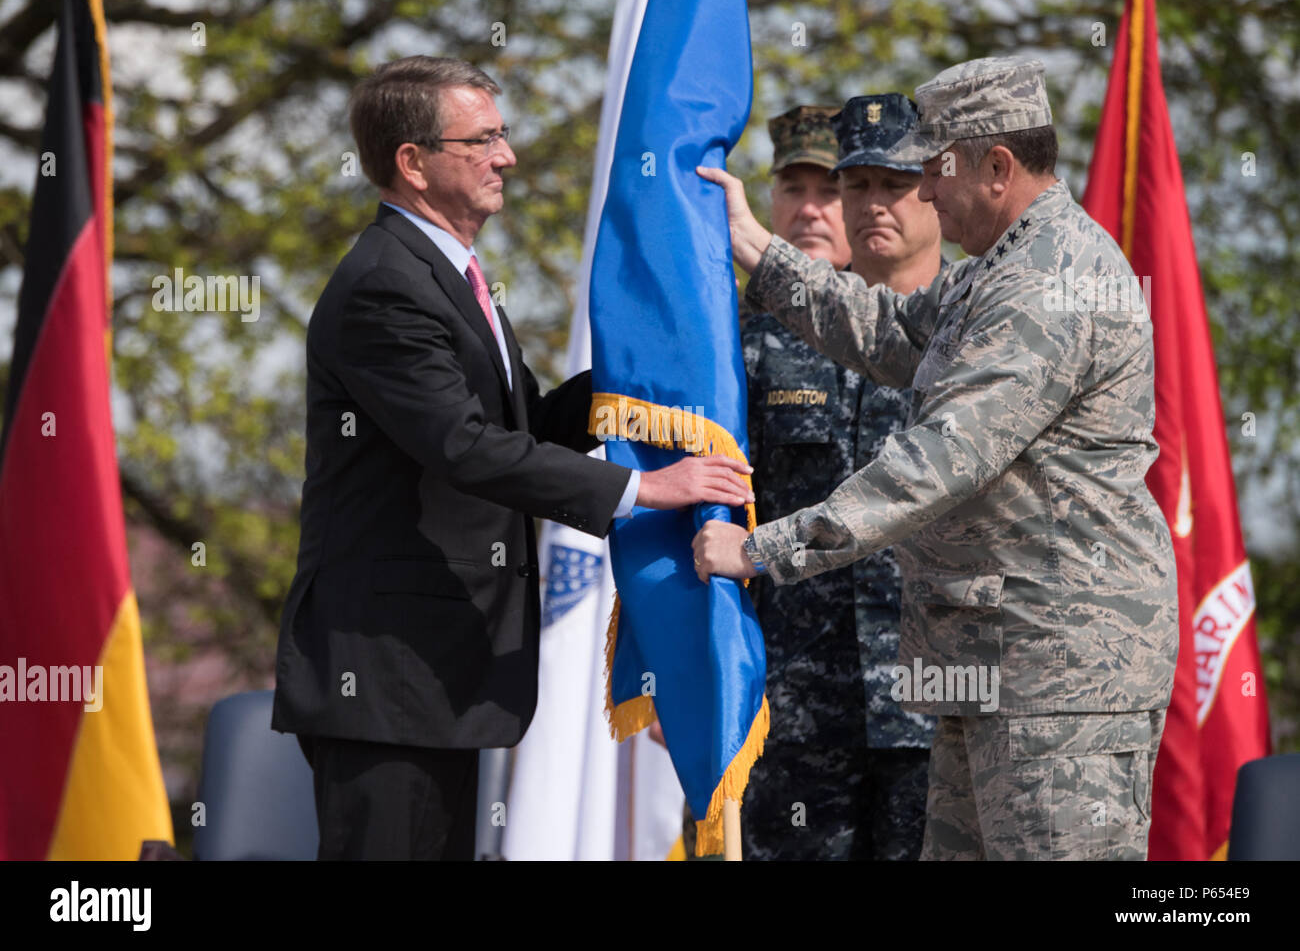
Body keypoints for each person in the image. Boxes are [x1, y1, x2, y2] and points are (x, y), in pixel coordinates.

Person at [694, 56, 1178, 860]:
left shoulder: (1051, 281)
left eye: (933, 169)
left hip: (1061, 673)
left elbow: (944, 456)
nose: (922, 190)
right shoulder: (995, 270)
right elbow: (885, 332)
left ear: (997, 166)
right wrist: (757, 248)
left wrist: (761, 548)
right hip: (984, 660)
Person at [271, 56, 752, 860]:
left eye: (504, 133)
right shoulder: (386, 285)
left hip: (442, 676)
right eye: (482, 139)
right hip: (384, 679)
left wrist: (657, 367)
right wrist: (644, 486)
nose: (508, 156)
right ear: (413, 162)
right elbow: (464, 446)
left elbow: (525, 424)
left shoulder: (453, 277)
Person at [733, 99, 939, 860]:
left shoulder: (978, 327)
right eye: (859, 186)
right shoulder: (755, 337)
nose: (869, 204)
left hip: (938, 703)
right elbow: (716, 494)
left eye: (896, 182)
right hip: (798, 705)